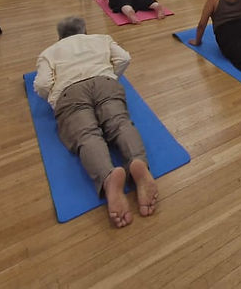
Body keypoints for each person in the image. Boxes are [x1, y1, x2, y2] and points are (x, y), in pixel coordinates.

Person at [33, 16, 159, 228]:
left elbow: (42, 84)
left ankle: (108, 176)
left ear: (60, 37)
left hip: (70, 92)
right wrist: (110, 76)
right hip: (104, 82)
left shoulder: (49, 52)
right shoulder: (102, 38)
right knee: (120, 124)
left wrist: (55, 98)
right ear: (85, 30)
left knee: (87, 135)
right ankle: (137, 162)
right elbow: (124, 59)